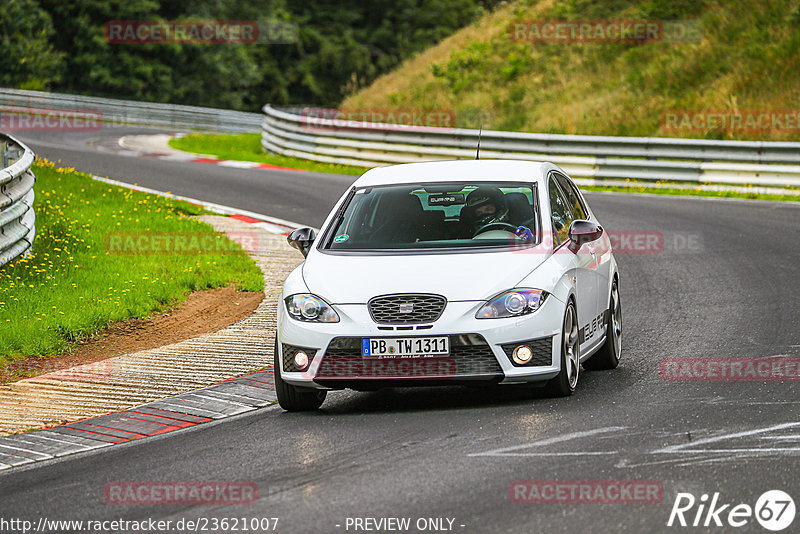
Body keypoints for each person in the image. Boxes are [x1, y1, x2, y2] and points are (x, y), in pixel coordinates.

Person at [460, 187, 533, 241]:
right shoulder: (467, 233)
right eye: (479, 212)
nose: (484, 214)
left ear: (499, 208)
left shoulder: (525, 227)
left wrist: (530, 238)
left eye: (488, 209)